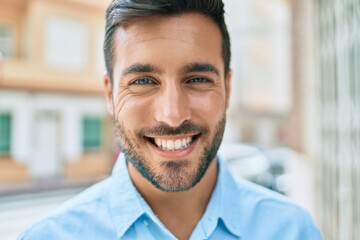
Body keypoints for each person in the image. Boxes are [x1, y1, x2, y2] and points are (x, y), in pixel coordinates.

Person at [20, 0, 321, 239]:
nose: (173, 115)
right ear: (110, 94)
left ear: (227, 90)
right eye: (142, 81)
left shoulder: (293, 231)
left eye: (198, 79)